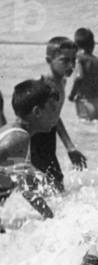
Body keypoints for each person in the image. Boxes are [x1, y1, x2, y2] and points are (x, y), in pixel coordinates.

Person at [0, 80, 60, 232]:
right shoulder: (18, 138)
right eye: (53, 108)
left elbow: (26, 187)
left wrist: (51, 218)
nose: (57, 114)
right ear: (37, 112)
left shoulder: (15, 134)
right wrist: (6, 173)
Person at [32, 36, 87, 192]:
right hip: (35, 140)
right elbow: (23, 117)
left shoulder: (61, 82)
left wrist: (70, 147)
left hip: (48, 138)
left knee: (55, 184)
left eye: (73, 60)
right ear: (49, 60)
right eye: (65, 61)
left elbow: (54, 116)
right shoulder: (42, 85)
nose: (71, 65)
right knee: (48, 184)